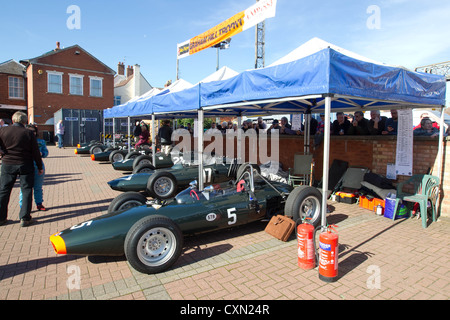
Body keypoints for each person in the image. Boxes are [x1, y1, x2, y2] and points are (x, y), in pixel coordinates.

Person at [0, 111, 43, 227]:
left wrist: (3, 152)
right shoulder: (28, 133)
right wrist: (39, 167)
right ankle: (25, 218)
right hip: (25, 164)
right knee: (27, 190)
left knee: (4, 190)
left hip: (7, 163)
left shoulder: (3, 130)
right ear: (25, 122)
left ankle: (1, 217)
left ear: (13, 120)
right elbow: (35, 152)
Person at [19, 124, 49, 211]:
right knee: (24, 188)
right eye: (30, 131)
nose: (32, 133)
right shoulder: (22, 141)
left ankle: (39, 203)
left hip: (38, 166)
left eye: (34, 132)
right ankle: (23, 206)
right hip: (26, 166)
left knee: (38, 187)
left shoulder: (41, 142)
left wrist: (42, 154)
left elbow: (46, 153)